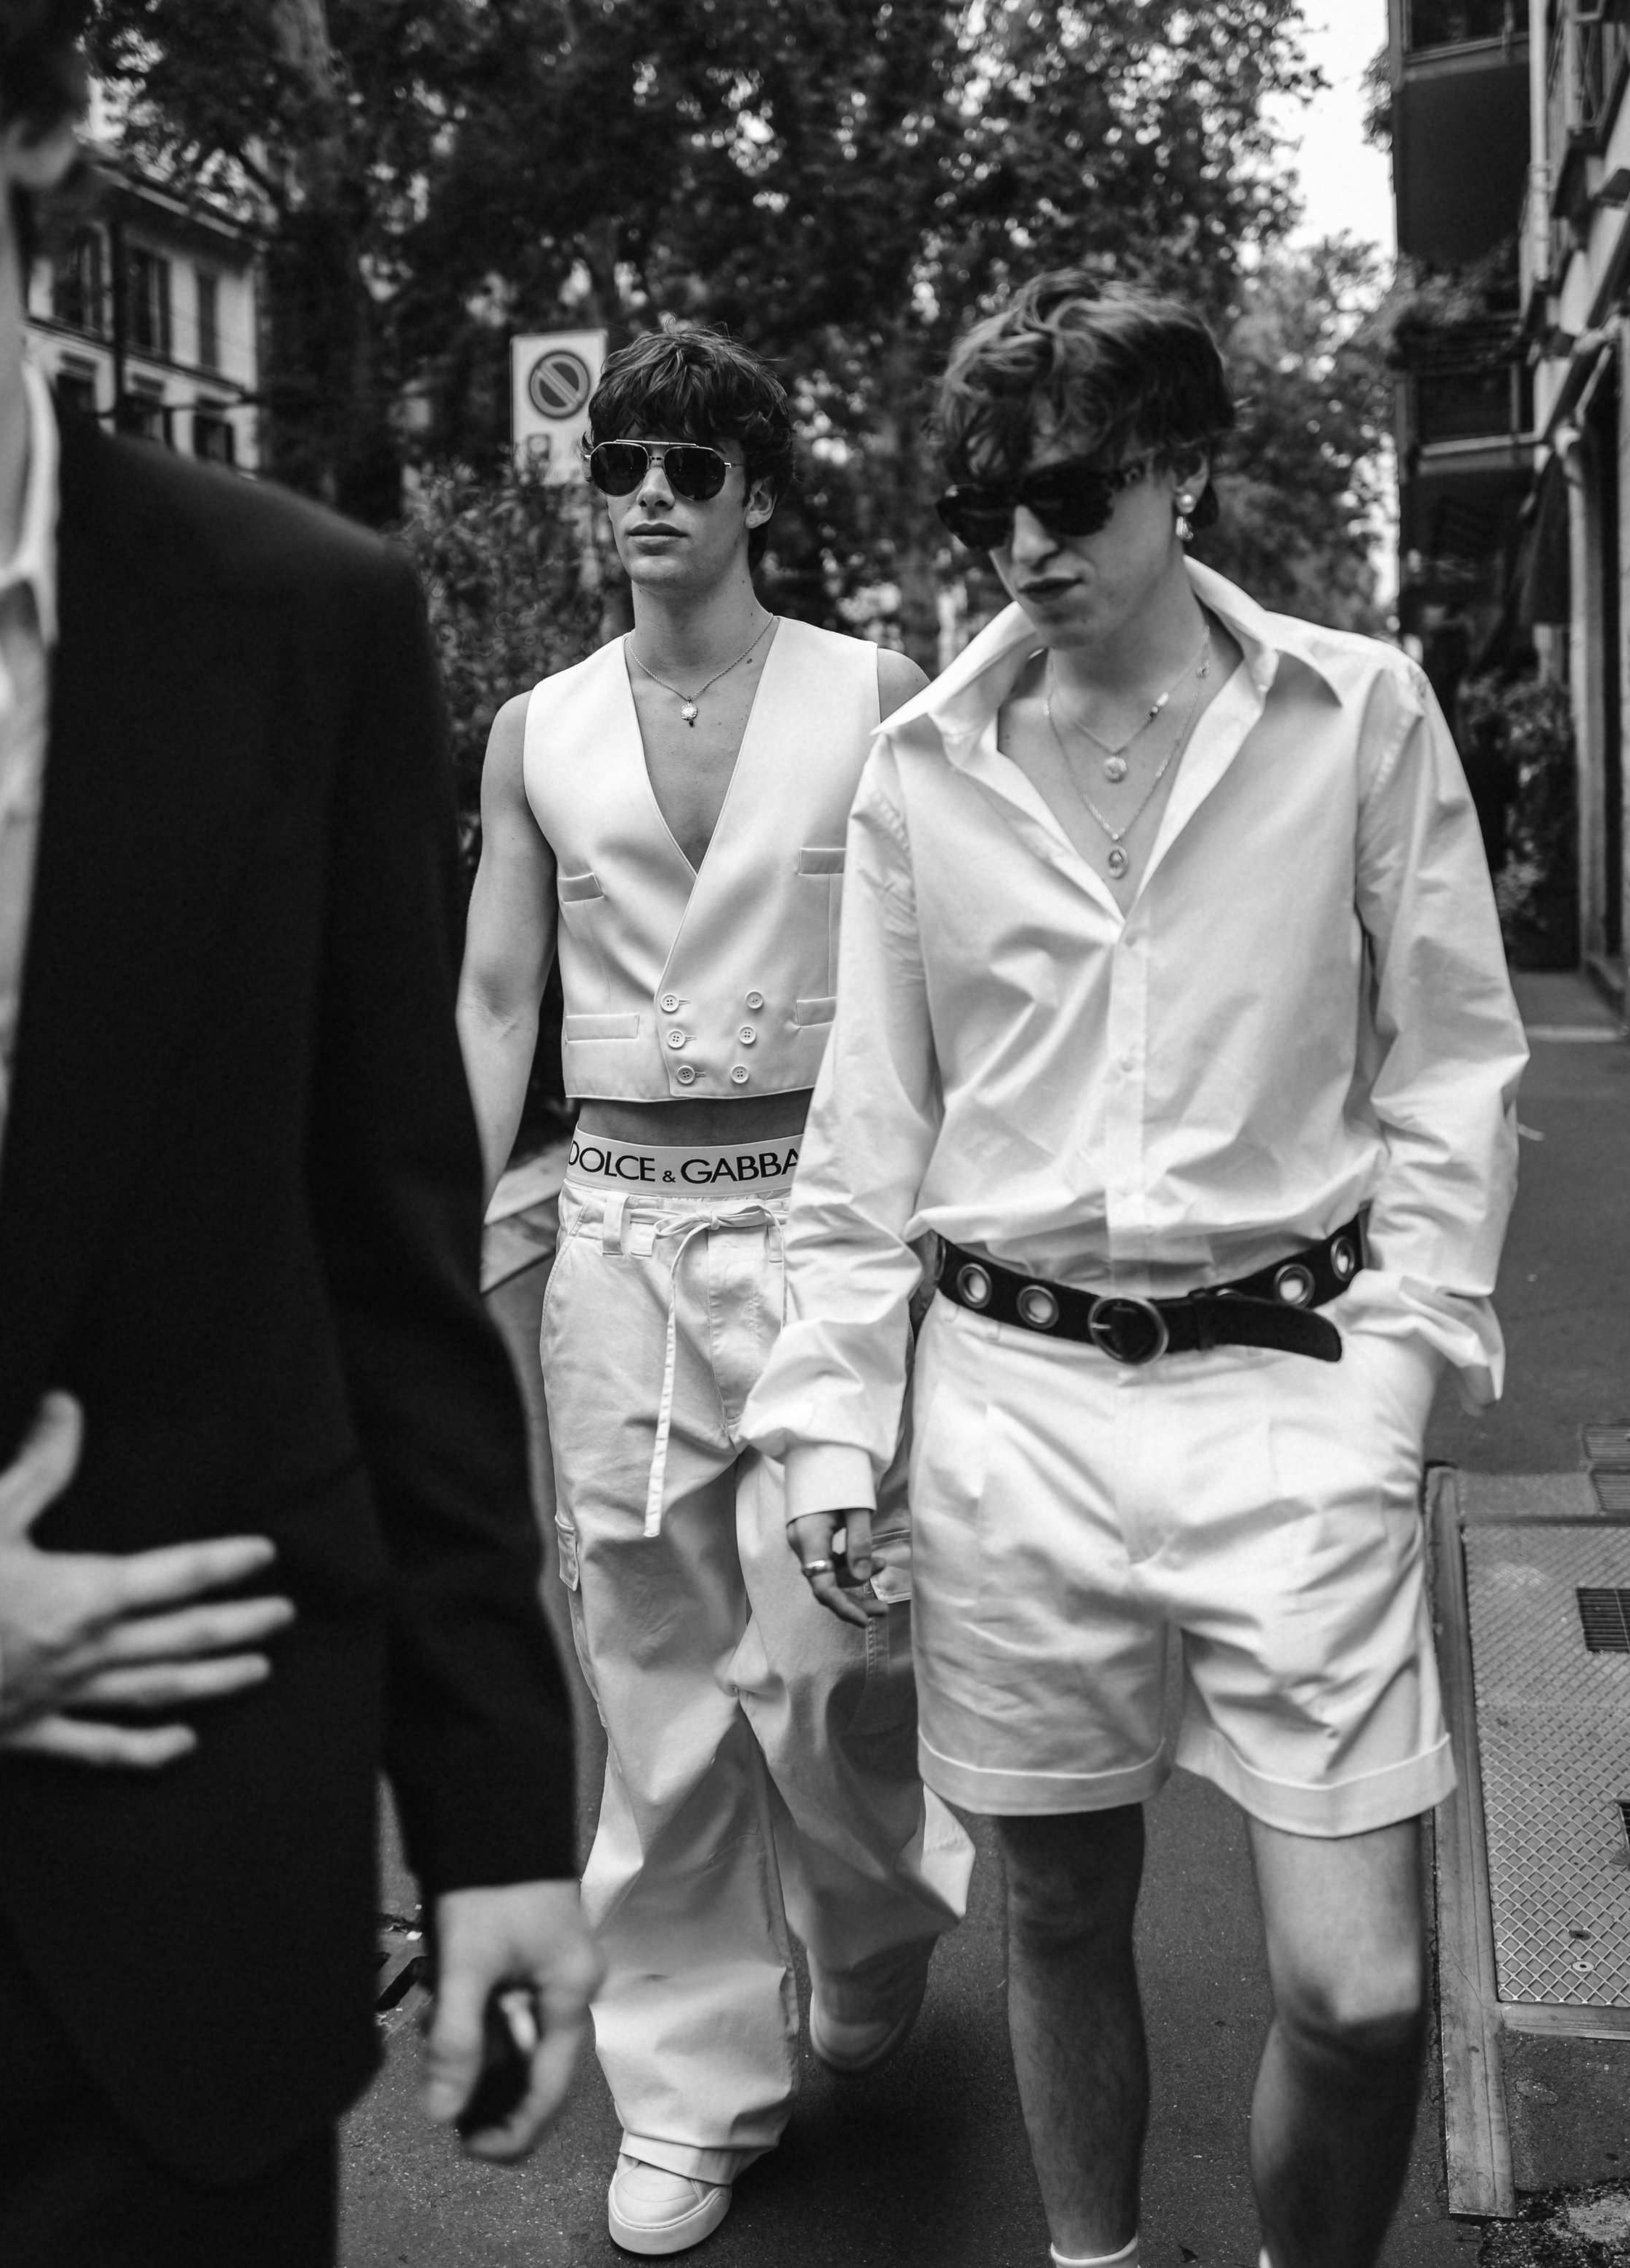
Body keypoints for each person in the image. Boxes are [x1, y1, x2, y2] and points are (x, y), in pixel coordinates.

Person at [0, 7, 598, 2264]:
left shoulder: (302, 625)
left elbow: (387, 1265)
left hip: (187, 1960)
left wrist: (495, 1819)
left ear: (39, 117)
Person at [742, 271, 1526, 2268]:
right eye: (981, 508)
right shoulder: (922, 764)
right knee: (1062, 1913)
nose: (1023, 545)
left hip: (1296, 1393)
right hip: (1009, 1410)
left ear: (1180, 468)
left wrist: (1399, 1370)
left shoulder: (1356, 713)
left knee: (1360, 1993)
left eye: (1068, 495)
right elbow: (868, 1131)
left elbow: (1452, 1058)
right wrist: (831, 1426)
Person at [458, 323, 973, 2254]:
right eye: (625, 467)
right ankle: (687, 2092)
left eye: (692, 465)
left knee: (841, 1662)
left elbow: (948, 984)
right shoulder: (535, 729)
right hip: (617, 1246)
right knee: (657, 1686)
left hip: (828, 1240)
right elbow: (495, 999)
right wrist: (432, 1232)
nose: (652, 496)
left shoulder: (878, 695)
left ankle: (871, 1914)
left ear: (758, 490)